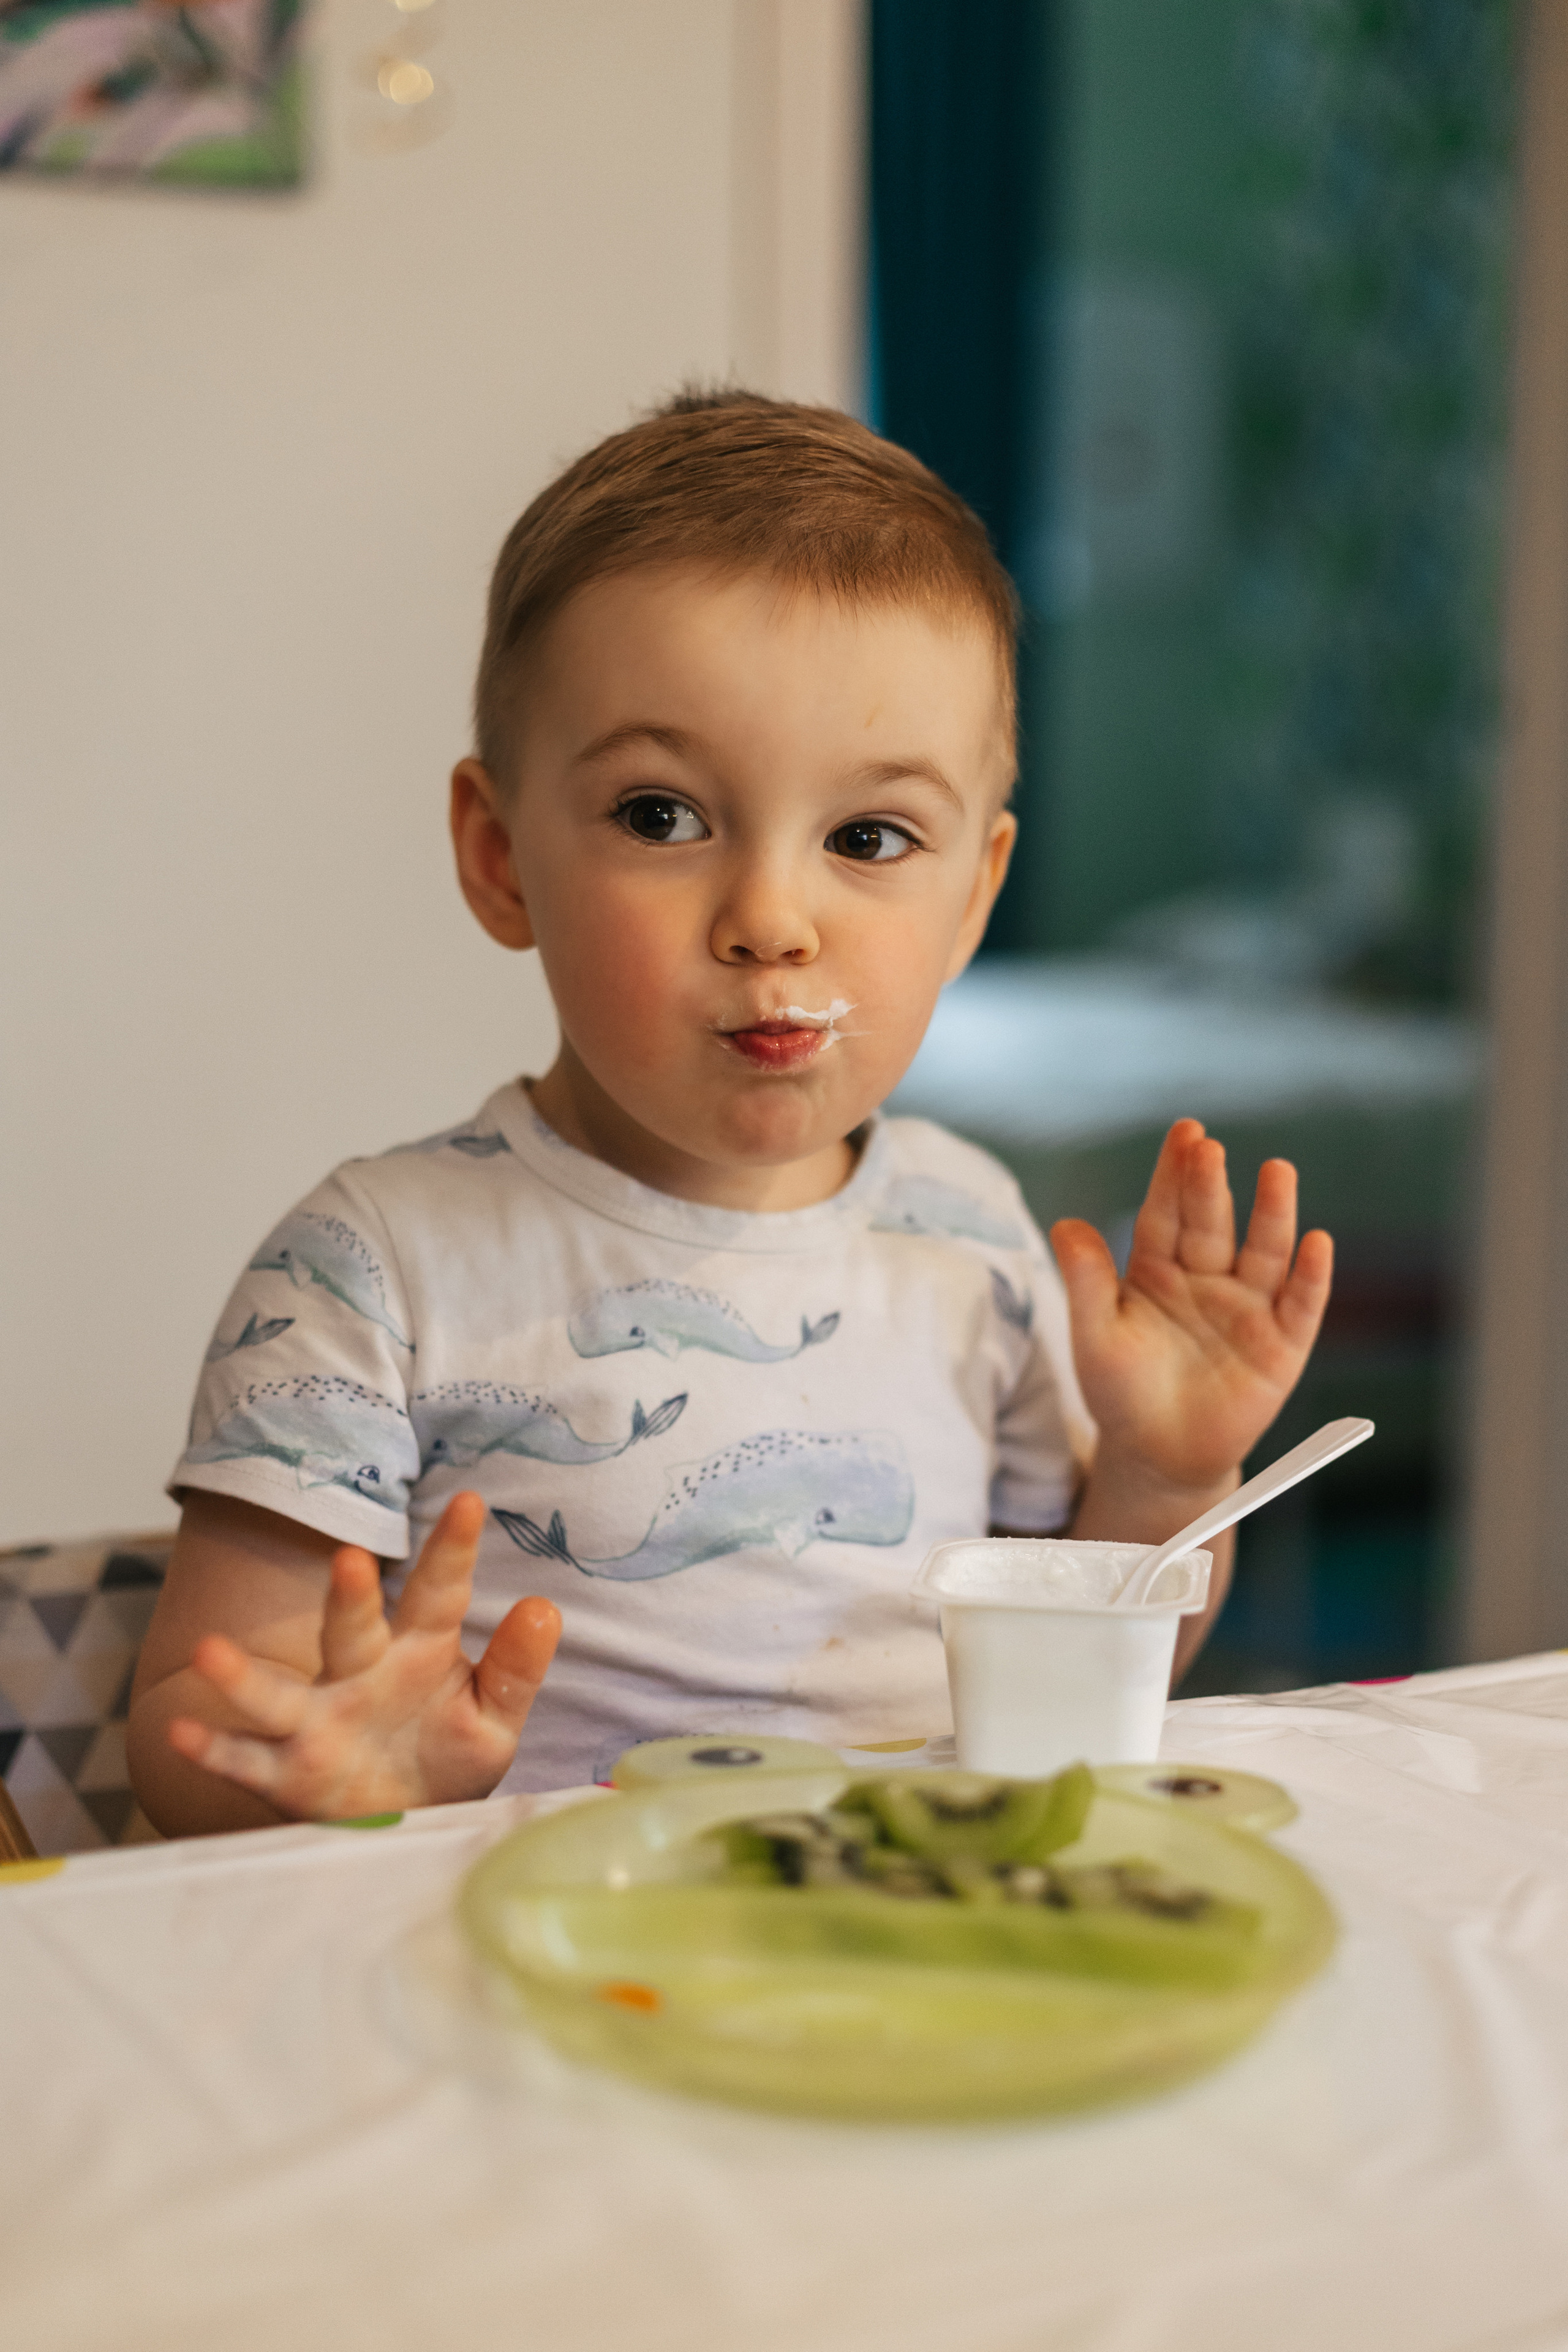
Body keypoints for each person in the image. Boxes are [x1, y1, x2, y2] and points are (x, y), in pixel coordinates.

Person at [126, 391, 1333, 1836]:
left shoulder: (973, 1235)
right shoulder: (368, 1269)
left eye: (868, 838)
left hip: (910, 1941)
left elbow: (1084, 1686)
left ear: (972, 897)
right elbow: (190, 1724)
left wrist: (1160, 1475)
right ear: (501, 857)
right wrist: (328, 1769)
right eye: (660, 816)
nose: (772, 920)